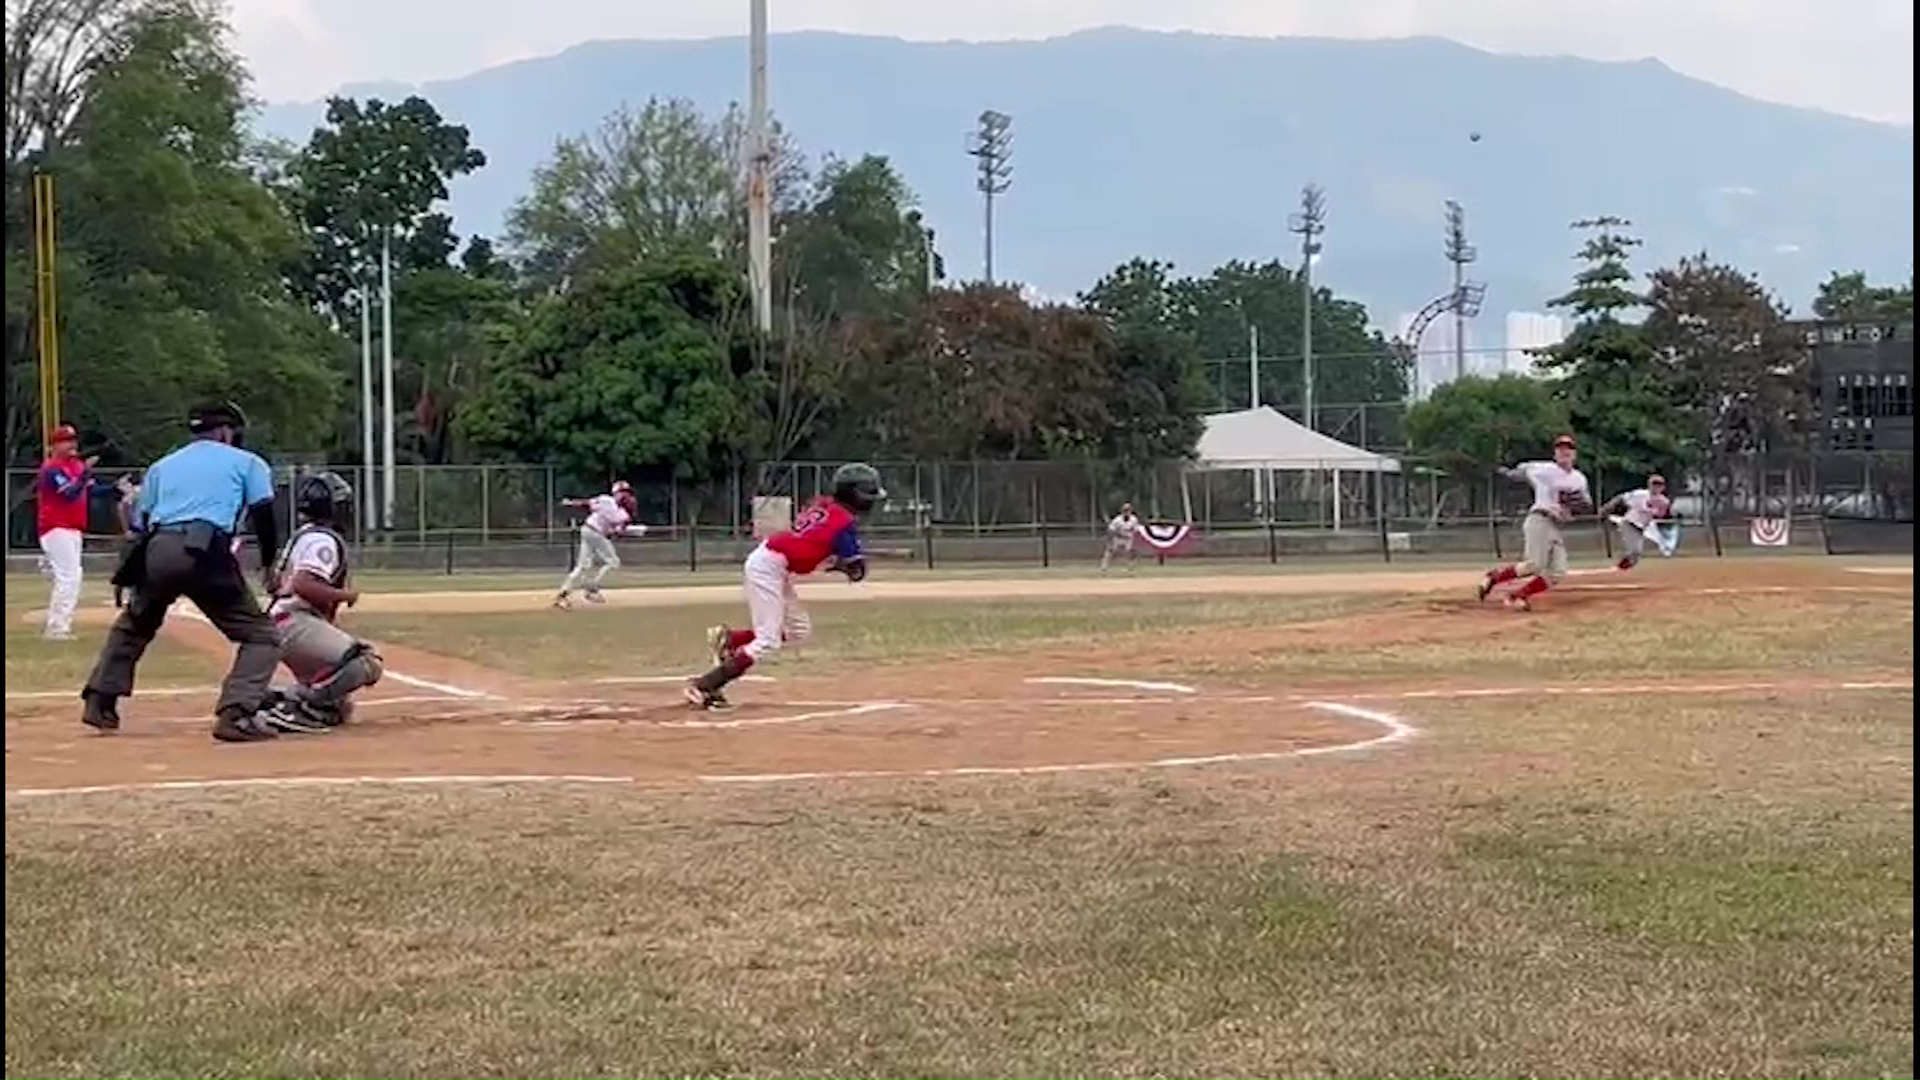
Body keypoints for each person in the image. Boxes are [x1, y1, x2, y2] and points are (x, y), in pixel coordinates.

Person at [80, 402, 286, 742]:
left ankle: (100, 701)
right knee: (261, 636)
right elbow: (265, 518)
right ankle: (236, 713)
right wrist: (268, 564)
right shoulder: (247, 463)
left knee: (135, 625)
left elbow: (139, 523)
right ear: (226, 432)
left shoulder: (163, 466)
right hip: (205, 549)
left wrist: (128, 572)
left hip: (157, 549)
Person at [687, 463, 885, 710]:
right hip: (769, 566)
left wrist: (838, 560)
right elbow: (856, 572)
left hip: (776, 564)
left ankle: (731, 640)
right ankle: (705, 685)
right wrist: (848, 564)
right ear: (855, 495)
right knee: (768, 640)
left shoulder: (822, 504)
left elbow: (818, 543)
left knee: (798, 630)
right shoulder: (844, 524)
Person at [259, 470, 384, 734]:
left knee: (338, 708)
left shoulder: (305, 534)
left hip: (284, 622)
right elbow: (305, 585)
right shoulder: (322, 539)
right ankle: (299, 708)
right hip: (293, 623)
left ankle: (275, 700)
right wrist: (345, 596)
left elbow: (273, 582)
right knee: (365, 662)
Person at [1475, 434, 1593, 612]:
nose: (1564, 452)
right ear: (1555, 454)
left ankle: (1517, 596)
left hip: (1555, 525)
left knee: (1557, 572)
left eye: (1568, 448)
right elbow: (1522, 470)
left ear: (1575, 454)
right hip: (1539, 519)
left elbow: (1586, 503)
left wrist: (1575, 510)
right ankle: (1494, 577)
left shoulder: (1579, 478)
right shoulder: (1544, 469)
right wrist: (1505, 470)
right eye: (1560, 448)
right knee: (1534, 565)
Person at [36, 423, 101, 640]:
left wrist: (116, 489)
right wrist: (85, 475)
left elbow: (89, 490)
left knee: (73, 576)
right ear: (55, 445)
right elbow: (69, 493)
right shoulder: (52, 467)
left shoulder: (76, 465)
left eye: (73, 440)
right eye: (65, 441)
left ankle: (60, 625)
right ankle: (56, 628)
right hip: (56, 526)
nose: (71, 445)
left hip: (73, 527)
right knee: (69, 577)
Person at [552, 480, 645, 609]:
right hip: (594, 531)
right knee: (613, 562)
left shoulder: (619, 510)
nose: (624, 496)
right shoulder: (610, 503)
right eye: (622, 493)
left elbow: (615, 531)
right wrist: (572, 502)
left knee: (583, 566)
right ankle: (592, 588)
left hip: (589, 530)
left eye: (626, 493)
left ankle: (563, 594)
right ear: (615, 493)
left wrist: (632, 530)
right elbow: (587, 503)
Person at [1600, 473, 1675, 571]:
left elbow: (1661, 515)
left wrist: (1661, 508)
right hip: (1630, 523)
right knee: (1635, 550)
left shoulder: (1664, 501)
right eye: (1654, 485)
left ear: (1663, 487)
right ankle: (1620, 569)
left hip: (1642, 527)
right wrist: (1607, 507)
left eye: (1659, 485)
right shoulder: (1640, 494)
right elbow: (1622, 498)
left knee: (1635, 557)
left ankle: (1620, 568)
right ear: (1649, 485)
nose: (1656, 488)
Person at [111, 472, 142, 609]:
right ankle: (123, 597)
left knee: (130, 565)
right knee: (130, 564)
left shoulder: (135, 492)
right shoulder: (136, 493)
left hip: (137, 531)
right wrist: (127, 529)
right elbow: (122, 508)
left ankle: (126, 598)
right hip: (136, 531)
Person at [1099, 502, 1141, 573]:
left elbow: (1136, 530)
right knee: (1110, 551)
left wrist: (1135, 539)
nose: (1127, 512)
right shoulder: (1117, 520)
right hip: (1118, 537)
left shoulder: (1134, 519)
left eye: (1128, 510)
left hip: (1128, 538)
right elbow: (1111, 529)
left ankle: (1130, 567)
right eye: (1125, 510)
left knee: (1131, 552)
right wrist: (1111, 540)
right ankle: (1104, 567)